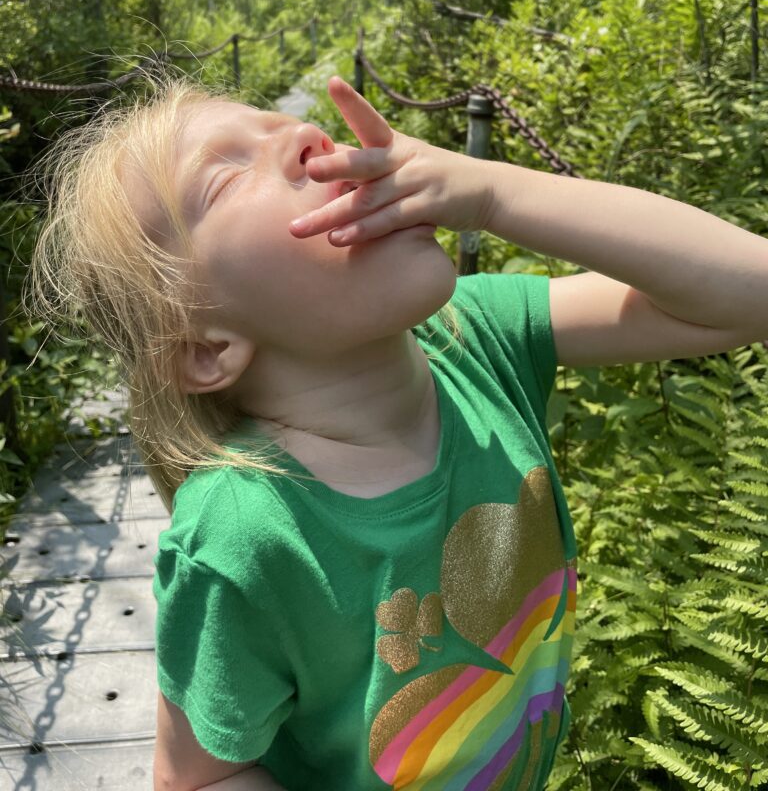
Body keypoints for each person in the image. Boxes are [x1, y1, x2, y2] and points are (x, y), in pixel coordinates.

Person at [27, 73, 768, 791]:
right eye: (223, 178)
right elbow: (194, 777)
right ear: (206, 347)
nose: (307, 138)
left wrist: (497, 192)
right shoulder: (243, 537)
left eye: (284, 124)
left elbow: (749, 295)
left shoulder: (478, 338)